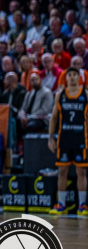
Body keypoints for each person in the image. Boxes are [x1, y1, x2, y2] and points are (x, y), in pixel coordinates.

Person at [48, 67, 88, 217]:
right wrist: (50, 137)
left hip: (80, 138)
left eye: (74, 75)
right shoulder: (60, 95)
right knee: (62, 172)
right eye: (69, 75)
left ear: (79, 78)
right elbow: (54, 117)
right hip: (64, 139)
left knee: (81, 172)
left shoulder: (85, 94)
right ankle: (61, 204)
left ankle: (82, 205)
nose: (72, 77)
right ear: (66, 78)